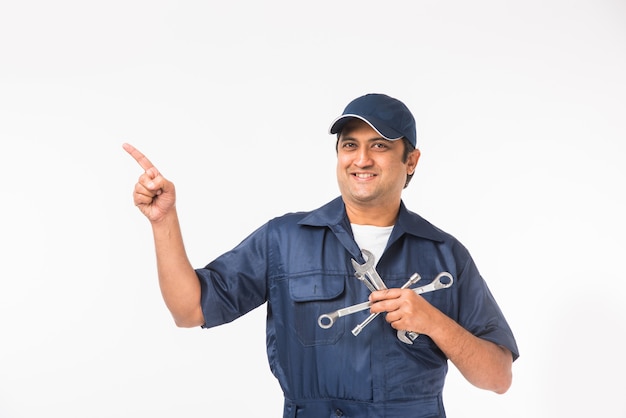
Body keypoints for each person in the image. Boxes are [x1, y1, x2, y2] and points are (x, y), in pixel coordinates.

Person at [124, 93, 519, 417]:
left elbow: (498, 377)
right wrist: (163, 221)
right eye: (350, 145)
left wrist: (435, 322)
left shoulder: (445, 255)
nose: (361, 159)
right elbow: (189, 310)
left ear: (410, 160)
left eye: (379, 146)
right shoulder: (284, 240)